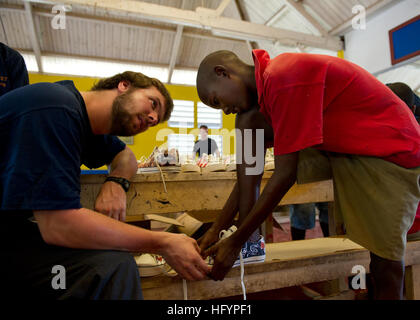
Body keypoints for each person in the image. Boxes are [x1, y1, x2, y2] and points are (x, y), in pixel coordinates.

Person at [196, 50, 420, 300]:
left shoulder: (281, 77)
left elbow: (285, 174)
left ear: (222, 73)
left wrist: (235, 240)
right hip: (346, 145)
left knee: (385, 263)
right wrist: (217, 229)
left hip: (389, 146)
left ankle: (245, 240)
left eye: (217, 101)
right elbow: (247, 173)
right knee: (246, 122)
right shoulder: (262, 98)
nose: (224, 111)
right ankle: (250, 244)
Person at [0, 71, 210, 299]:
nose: (151, 119)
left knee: (115, 263)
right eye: (152, 104)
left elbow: (126, 156)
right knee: (112, 269)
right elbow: (59, 225)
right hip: (11, 238)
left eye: (155, 121)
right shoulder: (55, 108)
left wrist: (117, 181)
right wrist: (163, 242)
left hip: (14, 232)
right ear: (124, 85)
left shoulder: (83, 121)